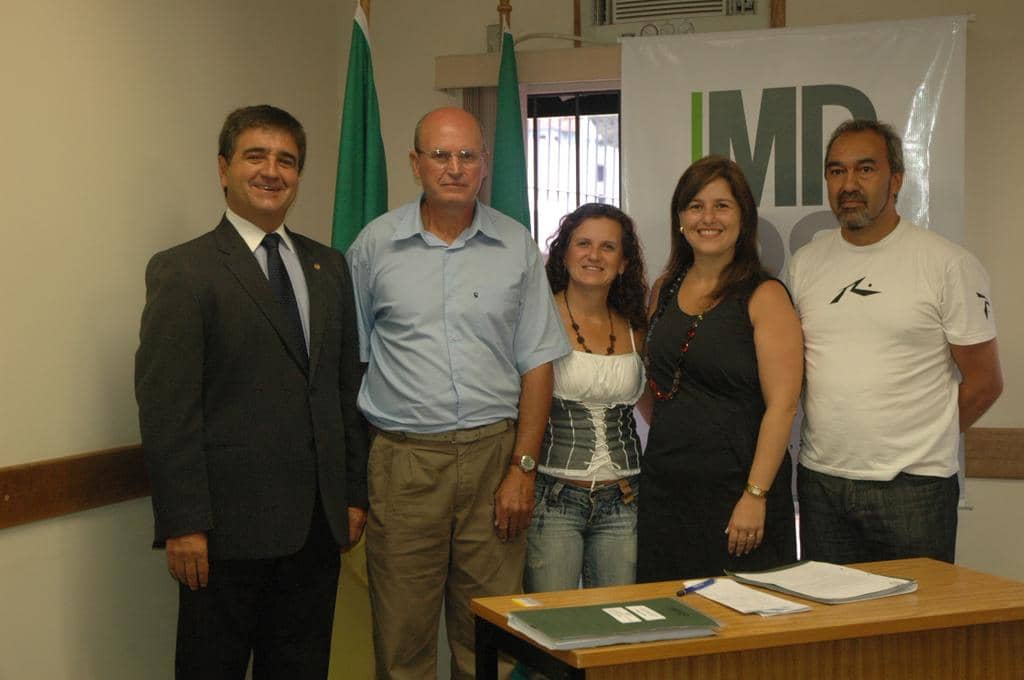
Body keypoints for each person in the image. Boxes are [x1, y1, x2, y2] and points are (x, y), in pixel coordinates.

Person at [135, 105, 368, 679]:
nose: (272, 171)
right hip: (223, 538)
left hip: (316, 532)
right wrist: (182, 522)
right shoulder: (184, 271)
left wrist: (353, 493)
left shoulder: (328, 266)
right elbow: (168, 410)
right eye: (255, 156)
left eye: (286, 160)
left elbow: (344, 391)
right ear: (223, 168)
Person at [346, 107, 570, 679]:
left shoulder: (516, 246)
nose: (454, 168)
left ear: (485, 165)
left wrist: (523, 468)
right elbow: (351, 363)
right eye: (440, 155)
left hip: (494, 464)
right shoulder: (373, 248)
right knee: (402, 645)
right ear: (415, 163)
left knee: (486, 641)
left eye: (467, 155)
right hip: (404, 463)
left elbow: (538, 363)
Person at [787, 119, 1003, 565]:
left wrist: (921, 440)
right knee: (835, 632)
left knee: (915, 631)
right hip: (822, 484)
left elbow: (985, 382)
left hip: (915, 491)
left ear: (897, 179)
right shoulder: (804, 266)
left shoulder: (947, 264)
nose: (849, 184)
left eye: (865, 169)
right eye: (836, 171)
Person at [637, 155, 803, 582]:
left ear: (743, 218)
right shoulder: (663, 289)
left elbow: (783, 406)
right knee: (670, 627)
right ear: (680, 219)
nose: (707, 217)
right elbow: (658, 385)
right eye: (695, 206)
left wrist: (755, 494)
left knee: (743, 632)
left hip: (739, 495)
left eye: (722, 205)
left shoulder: (764, 295)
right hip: (667, 490)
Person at [524, 203, 649, 593]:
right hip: (554, 499)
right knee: (551, 627)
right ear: (564, 252)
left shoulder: (636, 327)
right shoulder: (537, 317)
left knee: (617, 622)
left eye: (608, 247)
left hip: (624, 499)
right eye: (583, 243)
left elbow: (657, 408)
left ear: (624, 262)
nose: (594, 255)